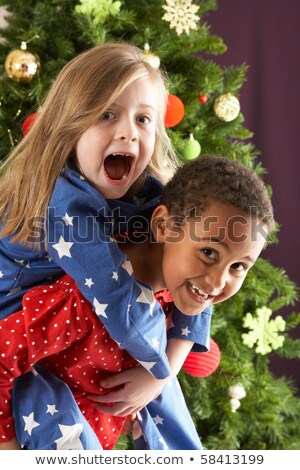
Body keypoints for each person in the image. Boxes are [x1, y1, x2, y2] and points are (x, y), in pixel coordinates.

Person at [0, 42, 212, 449]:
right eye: (106, 115)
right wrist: (159, 370)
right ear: (69, 124)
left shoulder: (155, 197)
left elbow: (200, 275)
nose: (128, 131)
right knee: (49, 414)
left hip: (64, 323)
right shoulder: (63, 204)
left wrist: (169, 366)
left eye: (143, 119)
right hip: (16, 323)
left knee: (166, 402)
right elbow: (114, 294)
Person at [0, 156, 274, 450]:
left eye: (238, 267)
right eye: (209, 252)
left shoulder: (178, 288)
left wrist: (160, 377)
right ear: (163, 226)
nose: (218, 282)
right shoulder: (87, 300)